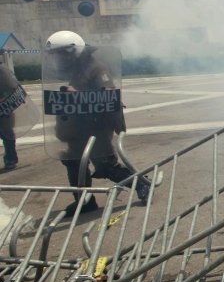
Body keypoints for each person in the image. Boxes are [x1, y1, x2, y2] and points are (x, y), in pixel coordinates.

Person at [45, 31, 149, 215]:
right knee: (72, 161)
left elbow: (108, 94)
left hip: (96, 126)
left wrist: (76, 95)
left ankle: (141, 184)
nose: (58, 58)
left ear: (73, 51)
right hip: (78, 127)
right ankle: (84, 202)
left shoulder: (95, 68)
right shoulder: (78, 69)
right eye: (55, 54)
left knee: (106, 165)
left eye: (60, 53)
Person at [0, 62, 21, 170]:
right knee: (7, 134)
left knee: (7, 134)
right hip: (5, 109)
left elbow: (10, 87)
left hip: (3, 108)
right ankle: (10, 158)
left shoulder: (2, 71)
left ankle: (11, 159)